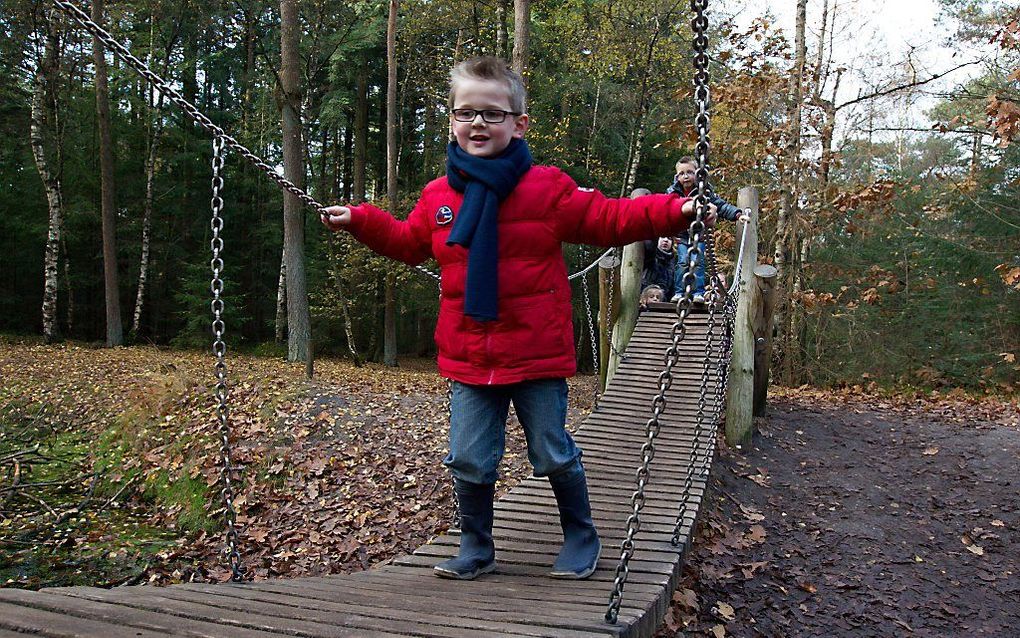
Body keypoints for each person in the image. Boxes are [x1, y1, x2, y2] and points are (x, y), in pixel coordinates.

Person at [322, 56, 701, 582]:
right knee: (469, 458)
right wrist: (361, 220)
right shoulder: (438, 196)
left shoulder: (547, 189)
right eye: (465, 112)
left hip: (536, 353)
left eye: (492, 114)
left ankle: (580, 533)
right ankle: (476, 545)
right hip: (470, 355)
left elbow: (608, 218)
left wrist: (675, 210)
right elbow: (409, 244)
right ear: (452, 120)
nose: (478, 123)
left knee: (549, 450)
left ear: (518, 123)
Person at [667, 157, 744, 303]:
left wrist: (737, 214)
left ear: (697, 173)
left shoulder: (704, 191)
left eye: (689, 172)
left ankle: (698, 292)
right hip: (683, 235)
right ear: (677, 177)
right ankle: (679, 291)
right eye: (682, 173)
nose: (686, 176)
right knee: (682, 262)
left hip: (700, 235)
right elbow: (665, 211)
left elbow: (720, 205)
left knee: (698, 262)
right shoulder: (673, 193)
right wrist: (668, 232)